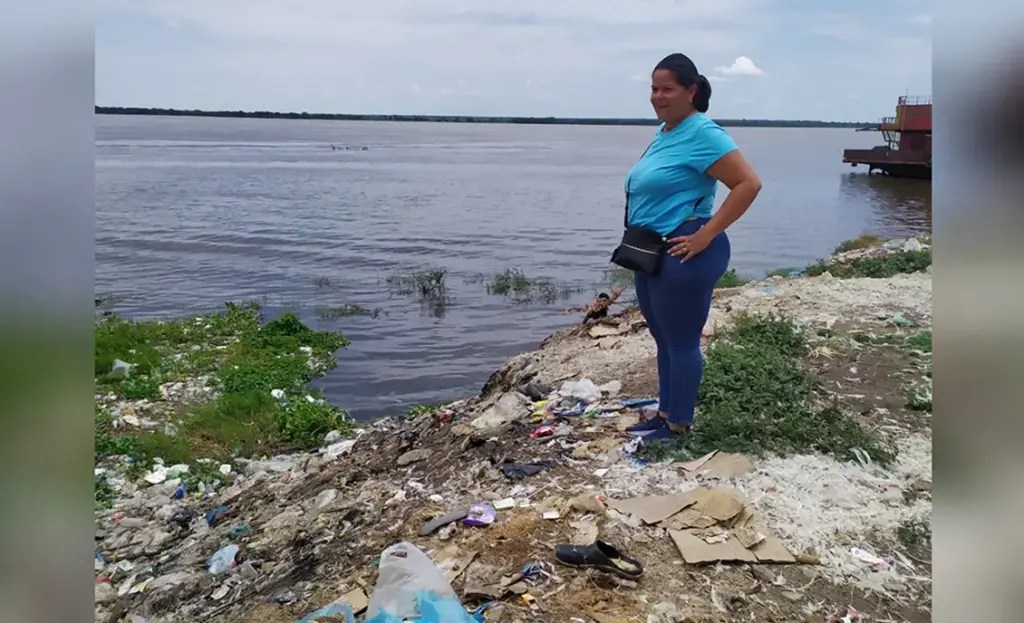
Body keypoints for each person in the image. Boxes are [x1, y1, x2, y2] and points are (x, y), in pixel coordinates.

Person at [623, 53, 762, 442]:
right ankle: (665, 413)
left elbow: (748, 184)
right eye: (654, 88)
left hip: (687, 250)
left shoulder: (704, 133)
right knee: (663, 338)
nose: (658, 96)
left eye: (667, 89)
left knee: (682, 342)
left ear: (691, 91)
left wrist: (708, 233)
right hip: (651, 250)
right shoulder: (667, 131)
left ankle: (678, 426)